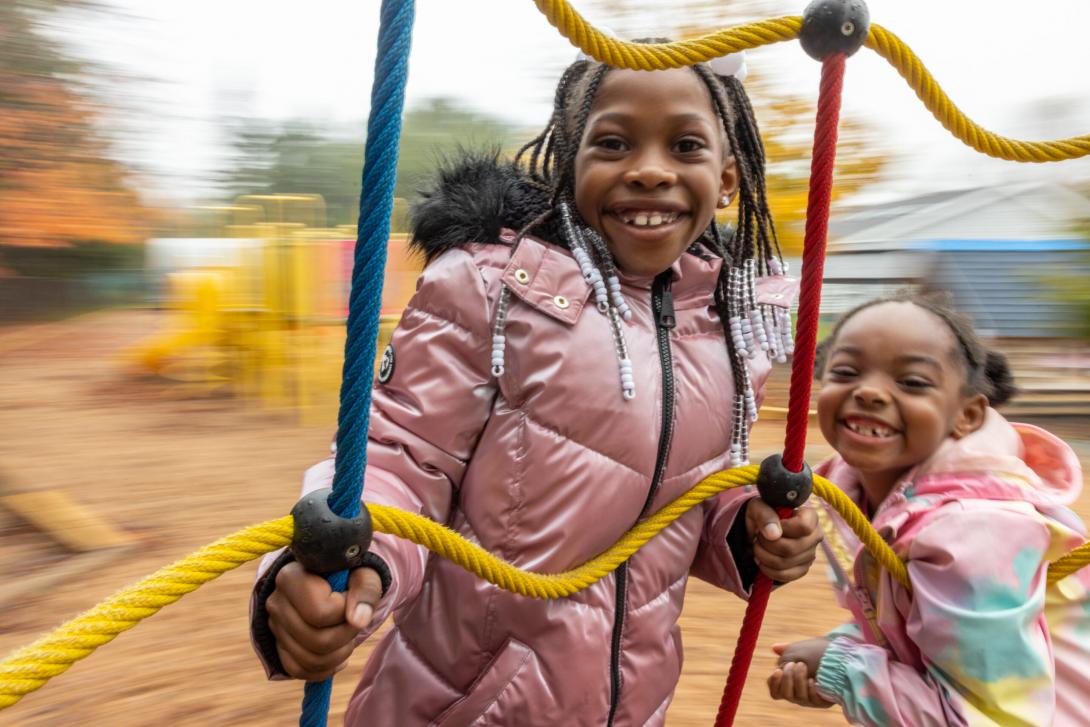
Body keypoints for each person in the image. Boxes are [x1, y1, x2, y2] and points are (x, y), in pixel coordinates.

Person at [250, 44, 825, 726]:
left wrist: (746, 532)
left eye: (685, 145)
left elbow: (688, 491)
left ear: (727, 176)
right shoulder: (493, 288)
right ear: (568, 164)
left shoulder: (726, 322)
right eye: (612, 142)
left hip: (632, 705)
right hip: (460, 705)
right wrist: (350, 561)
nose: (647, 169)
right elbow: (401, 457)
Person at [767, 293, 1090, 726]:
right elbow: (921, 628)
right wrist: (846, 649)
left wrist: (842, 669)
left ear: (968, 415)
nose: (868, 391)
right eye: (846, 372)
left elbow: (988, 718)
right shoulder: (854, 497)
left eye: (913, 382)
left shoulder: (972, 532)